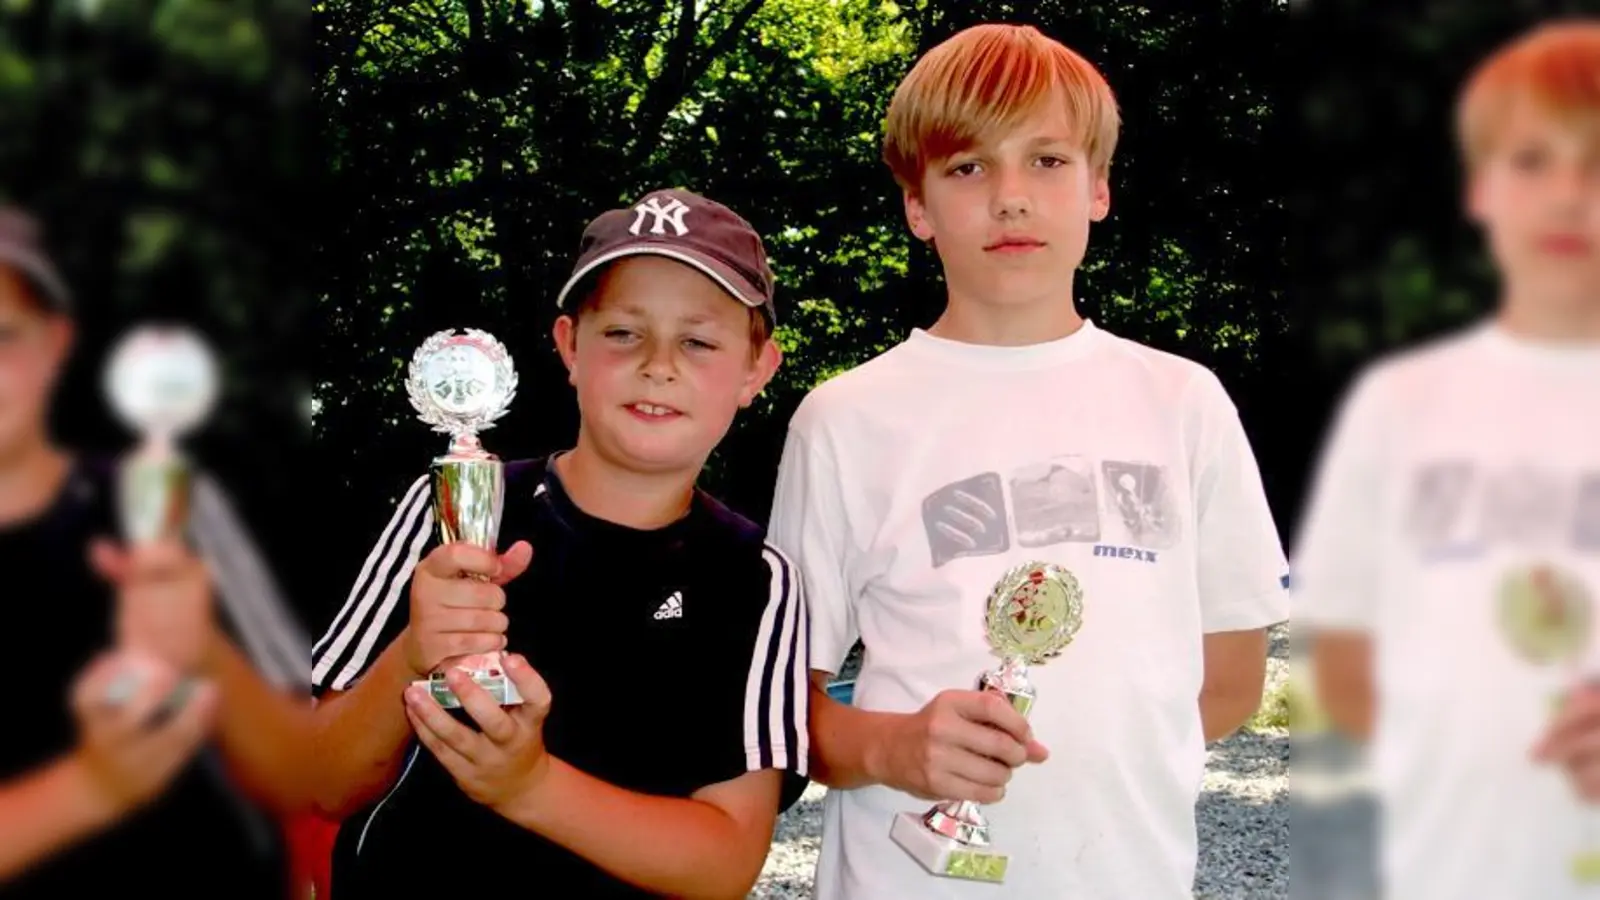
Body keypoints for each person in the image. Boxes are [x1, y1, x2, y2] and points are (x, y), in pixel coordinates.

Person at [766, 22, 1289, 900]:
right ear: (918, 206)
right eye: (968, 167)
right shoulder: (845, 421)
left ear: (1098, 189)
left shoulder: (1184, 403)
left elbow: (1230, 681)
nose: (1010, 197)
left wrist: (1096, 771)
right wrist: (897, 748)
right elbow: (789, 715)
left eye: (1046, 161)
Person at [309, 187, 810, 899]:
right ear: (570, 345)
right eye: (623, 333)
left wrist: (530, 785)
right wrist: (414, 653)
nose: (658, 364)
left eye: (697, 341)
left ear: (756, 372)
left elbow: (726, 860)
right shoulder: (445, 509)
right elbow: (324, 782)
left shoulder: (756, 579)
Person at [1295, 20, 1600, 900]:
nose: (1569, 195)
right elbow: (1342, 658)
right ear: (1480, 189)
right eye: (1533, 160)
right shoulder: (1399, 406)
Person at [0, 205, 315, 897]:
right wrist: (89, 788)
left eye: (2, 336)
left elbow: (306, 770)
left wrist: (203, 650)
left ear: (55, 344)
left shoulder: (176, 504)